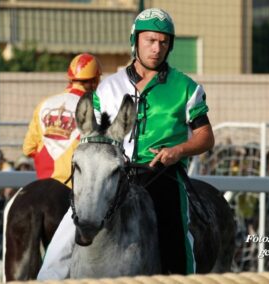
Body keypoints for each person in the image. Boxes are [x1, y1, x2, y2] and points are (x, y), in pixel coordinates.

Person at [37, 8, 214, 279]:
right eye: (150, 41)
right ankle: (47, 278)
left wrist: (178, 151)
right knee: (72, 224)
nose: (157, 48)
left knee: (175, 233)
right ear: (136, 41)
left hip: (162, 175)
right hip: (112, 175)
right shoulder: (108, 87)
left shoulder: (187, 88)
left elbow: (205, 137)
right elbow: (91, 137)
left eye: (163, 42)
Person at [23, 53, 102, 185]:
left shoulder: (44, 104)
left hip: (43, 182)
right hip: (77, 188)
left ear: (70, 79)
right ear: (95, 81)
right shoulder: (96, 109)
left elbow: (28, 148)